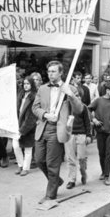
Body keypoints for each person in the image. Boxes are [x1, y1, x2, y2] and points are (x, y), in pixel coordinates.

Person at [32, 61, 83, 203]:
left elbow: (79, 109)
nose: (50, 74)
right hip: (43, 127)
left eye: (53, 71)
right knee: (39, 160)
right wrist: (45, 114)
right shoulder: (42, 89)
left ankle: (50, 194)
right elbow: (35, 108)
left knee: (52, 163)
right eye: (49, 71)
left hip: (58, 129)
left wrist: (70, 95)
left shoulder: (70, 88)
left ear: (61, 73)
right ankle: (57, 180)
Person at [89, 82, 110, 186]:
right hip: (100, 130)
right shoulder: (98, 101)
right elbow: (88, 109)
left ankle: (107, 175)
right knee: (101, 153)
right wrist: (93, 119)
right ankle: (103, 172)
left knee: (109, 154)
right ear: (108, 90)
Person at [10, 76, 37, 176]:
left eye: (28, 84)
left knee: (28, 148)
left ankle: (26, 168)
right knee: (16, 146)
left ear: (32, 84)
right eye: (24, 84)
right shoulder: (20, 94)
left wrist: (23, 130)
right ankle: (20, 165)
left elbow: (31, 116)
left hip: (28, 127)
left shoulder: (34, 96)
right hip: (18, 124)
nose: (26, 86)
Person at [65, 89, 92, 189]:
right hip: (69, 135)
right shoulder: (66, 107)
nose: (77, 98)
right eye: (74, 95)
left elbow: (87, 122)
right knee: (70, 158)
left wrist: (89, 135)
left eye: (78, 95)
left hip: (81, 134)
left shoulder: (83, 108)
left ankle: (83, 173)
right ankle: (72, 180)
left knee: (82, 158)